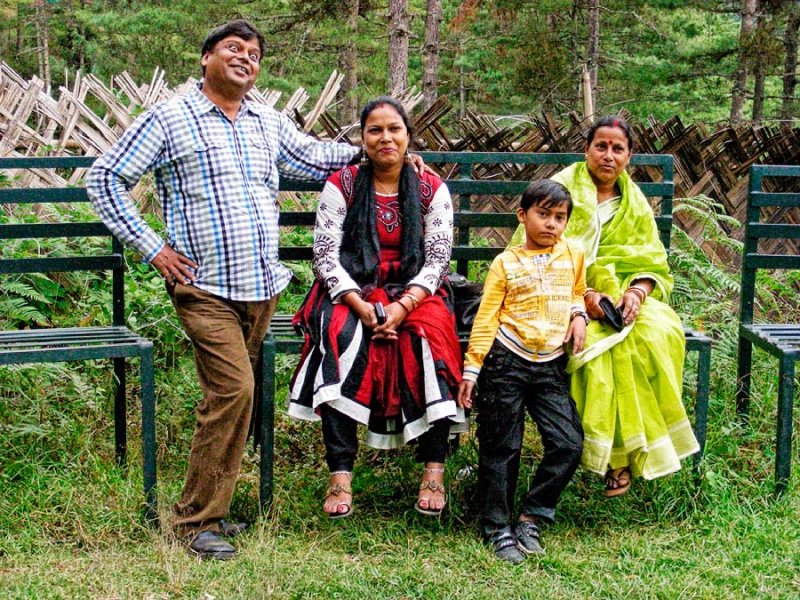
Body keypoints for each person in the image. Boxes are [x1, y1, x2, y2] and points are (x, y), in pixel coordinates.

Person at [87, 21, 430, 560]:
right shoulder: (170, 118)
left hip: (261, 288)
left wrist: (383, 154)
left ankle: (214, 508)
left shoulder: (264, 121)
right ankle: (193, 523)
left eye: (254, 53)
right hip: (204, 287)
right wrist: (154, 248)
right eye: (233, 49)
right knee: (234, 393)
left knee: (233, 400)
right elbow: (104, 179)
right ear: (206, 59)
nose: (245, 58)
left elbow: (318, 157)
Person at [288, 96, 464, 520]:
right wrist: (361, 306)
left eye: (394, 129)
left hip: (415, 290)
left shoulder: (429, 188)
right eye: (375, 130)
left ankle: (434, 469)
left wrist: (402, 308)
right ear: (362, 138)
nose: (385, 137)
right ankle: (341, 474)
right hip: (351, 287)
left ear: (408, 136)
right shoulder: (343, 184)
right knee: (341, 337)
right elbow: (326, 255)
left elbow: (438, 258)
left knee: (429, 340)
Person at [508, 115, 700, 498]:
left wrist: (637, 293)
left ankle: (626, 453)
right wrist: (586, 297)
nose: (608, 155)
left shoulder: (634, 203)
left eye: (618, 148)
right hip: (557, 295)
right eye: (601, 146)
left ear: (629, 156)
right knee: (597, 350)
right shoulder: (562, 187)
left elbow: (652, 263)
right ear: (587, 150)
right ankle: (613, 457)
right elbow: (527, 253)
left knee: (652, 334)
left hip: (624, 298)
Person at [458, 180, 587, 564]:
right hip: (506, 361)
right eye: (543, 214)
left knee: (568, 442)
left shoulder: (573, 254)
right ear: (523, 215)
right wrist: (472, 369)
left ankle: (532, 515)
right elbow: (486, 318)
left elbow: (578, 290)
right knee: (502, 446)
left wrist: (578, 314)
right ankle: (496, 526)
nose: (551, 224)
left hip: (549, 363)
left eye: (559, 217)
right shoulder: (506, 263)